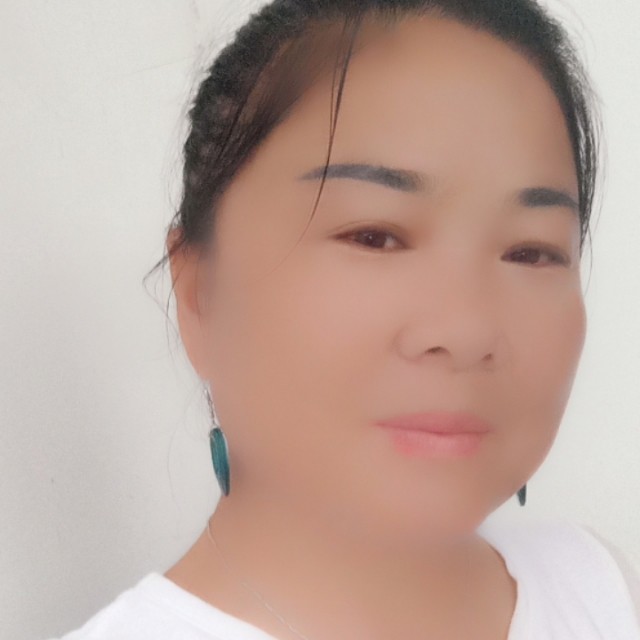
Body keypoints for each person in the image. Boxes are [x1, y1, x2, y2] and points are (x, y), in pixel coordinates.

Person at [50, 0, 640, 638]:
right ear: (198, 293)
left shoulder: (600, 592)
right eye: (374, 237)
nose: (467, 332)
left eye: (531, 252)